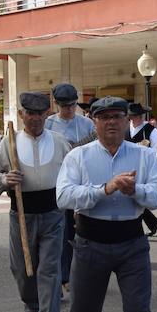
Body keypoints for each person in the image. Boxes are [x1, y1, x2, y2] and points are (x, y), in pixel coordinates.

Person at [56, 96, 157, 312]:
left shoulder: (143, 156)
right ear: (94, 121)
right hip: (90, 240)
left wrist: (137, 190)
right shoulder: (79, 157)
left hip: (132, 242)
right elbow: (64, 196)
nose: (111, 122)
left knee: (139, 311)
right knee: (83, 308)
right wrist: (104, 189)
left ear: (125, 119)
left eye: (117, 116)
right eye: (104, 117)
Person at [0, 92, 71, 312]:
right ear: (22, 114)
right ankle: (32, 310)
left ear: (47, 114)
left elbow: (71, 175)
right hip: (20, 213)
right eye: (29, 113)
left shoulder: (60, 141)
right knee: (22, 268)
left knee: (49, 269)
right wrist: (4, 180)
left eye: (40, 113)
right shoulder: (8, 142)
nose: (35, 118)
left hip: (53, 213)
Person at [45, 82, 97, 291]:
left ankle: (83, 273)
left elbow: (95, 149)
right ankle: (64, 276)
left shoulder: (86, 124)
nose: (69, 110)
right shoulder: (48, 124)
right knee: (61, 231)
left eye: (73, 105)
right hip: (58, 184)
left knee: (82, 231)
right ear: (56, 104)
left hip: (83, 183)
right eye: (65, 106)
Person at [127, 102, 157, 236]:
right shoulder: (126, 129)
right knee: (131, 198)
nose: (140, 117)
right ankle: (153, 222)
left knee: (136, 197)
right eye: (136, 115)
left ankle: (148, 224)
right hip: (126, 168)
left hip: (143, 168)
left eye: (141, 115)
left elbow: (156, 150)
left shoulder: (150, 130)